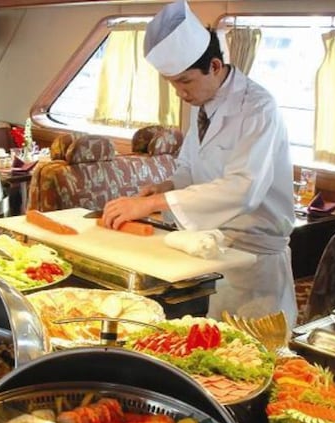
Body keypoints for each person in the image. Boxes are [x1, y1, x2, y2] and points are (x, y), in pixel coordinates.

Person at [100, 0, 297, 326]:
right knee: (215, 353)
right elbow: (190, 167)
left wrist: (155, 203)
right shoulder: (203, 103)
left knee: (256, 357)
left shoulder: (258, 108)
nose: (180, 93)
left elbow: (244, 188)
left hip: (256, 260)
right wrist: (163, 188)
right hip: (213, 251)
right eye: (172, 83)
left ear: (215, 66)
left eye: (185, 81)